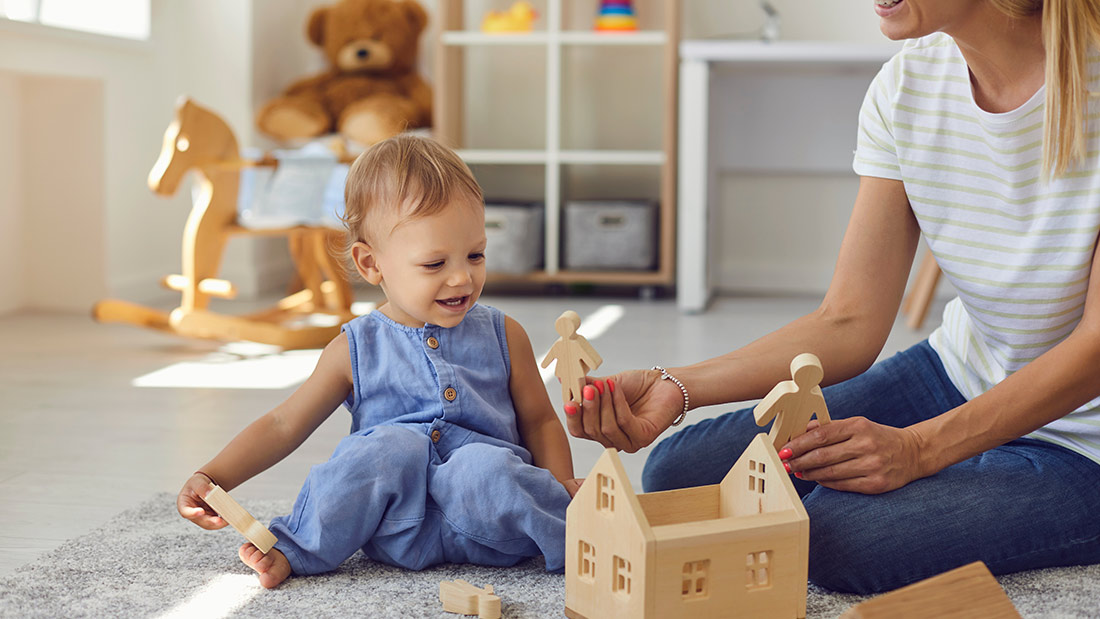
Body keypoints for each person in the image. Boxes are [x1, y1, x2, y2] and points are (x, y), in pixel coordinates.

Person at [568, 0, 1100, 595]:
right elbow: (848, 320)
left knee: (831, 536)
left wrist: (921, 450)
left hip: (1087, 441)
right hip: (963, 372)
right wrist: (679, 385)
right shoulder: (909, 83)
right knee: (683, 479)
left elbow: (1096, 348)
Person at [176, 135, 581, 589]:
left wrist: (559, 486)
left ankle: (579, 538)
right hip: (394, 528)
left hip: (492, 523)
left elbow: (541, 421)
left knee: (483, 465)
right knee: (384, 449)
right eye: (434, 264)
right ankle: (297, 548)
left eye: (475, 254)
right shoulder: (354, 347)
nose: (462, 276)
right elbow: (283, 424)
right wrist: (214, 476)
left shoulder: (504, 334)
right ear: (371, 264)